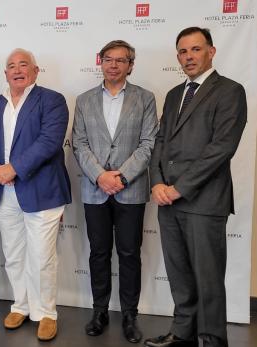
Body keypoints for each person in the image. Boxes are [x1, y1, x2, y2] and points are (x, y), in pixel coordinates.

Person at [144, 27, 247, 347]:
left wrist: (180, 188)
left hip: (204, 200)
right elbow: (159, 143)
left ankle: (212, 337)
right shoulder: (175, 93)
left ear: (211, 52)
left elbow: (222, 148)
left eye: (195, 49)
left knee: (208, 276)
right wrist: (158, 183)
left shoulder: (230, 91)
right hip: (168, 201)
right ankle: (183, 332)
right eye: (183, 51)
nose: (188, 57)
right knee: (179, 273)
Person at [72, 40, 158, 344]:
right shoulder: (83, 100)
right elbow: (79, 143)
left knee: (129, 253)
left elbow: (149, 144)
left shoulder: (145, 98)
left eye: (121, 60)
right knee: (98, 253)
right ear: (101, 62)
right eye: (108, 59)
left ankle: (130, 316)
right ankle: (99, 312)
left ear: (131, 65)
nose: (114, 65)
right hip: (95, 191)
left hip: (130, 190)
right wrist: (99, 176)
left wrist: (119, 177)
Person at [0, 48, 71, 341]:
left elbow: (49, 142)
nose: (18, 69)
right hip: (4, 190)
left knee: (42, 256)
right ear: (5, 74)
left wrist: (14, 169)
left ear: (36, 71)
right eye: (11, 66)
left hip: (41, 190)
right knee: (13, 254)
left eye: (24, 65)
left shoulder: (52, 100)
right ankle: (21, 306)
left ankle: (47, 313)